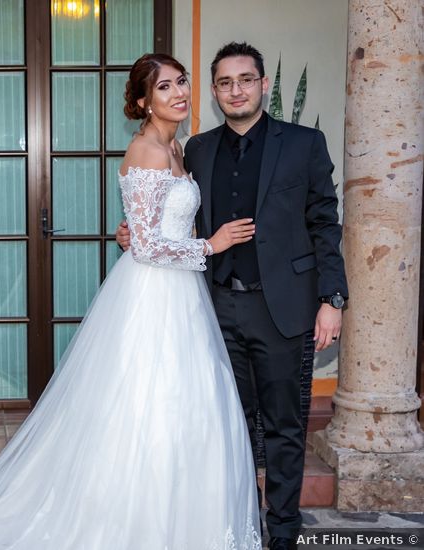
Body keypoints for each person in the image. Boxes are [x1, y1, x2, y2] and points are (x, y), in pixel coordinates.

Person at [0, 53, 261, 550]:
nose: (179, 93)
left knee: (188, 406)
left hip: (181, 292)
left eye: (181, 83)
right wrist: (211, 245)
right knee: (145, 404)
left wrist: (137, 234)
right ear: (141, 101)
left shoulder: (177, 148)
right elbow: (153, 246)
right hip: (153, 295)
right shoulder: (147, 152)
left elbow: (150, 230)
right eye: (164, 88)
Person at [116, 42, 348, 550]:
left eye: (245, 79)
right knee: (224, 425)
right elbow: (170, 216)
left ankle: (283, 531)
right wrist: (134, 232)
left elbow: (325, 224)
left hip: (282, 309)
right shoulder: (196, 148)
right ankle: (235, 521)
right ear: (216, 92)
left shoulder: (305, 144)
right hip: (213, 308)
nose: (235, 89)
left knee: (286, 423)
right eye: (224, 82)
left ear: (263, 84)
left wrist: (332, 300)